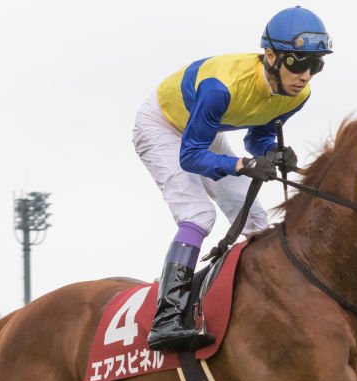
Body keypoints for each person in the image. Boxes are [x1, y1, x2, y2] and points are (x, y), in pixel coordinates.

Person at [132, 7, 333, 351]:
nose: (305, 76)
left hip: (204, 130)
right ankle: (166, 318)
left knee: (255, 217)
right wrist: (242, 165)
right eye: (298, 63)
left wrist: (272, 152)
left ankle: (264, 304)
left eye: (316, 65)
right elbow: (190, 156)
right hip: (163, 126)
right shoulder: (221, 88)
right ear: (271, 56)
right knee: (198, 214)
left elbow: (257, 138)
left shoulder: (298, 94)